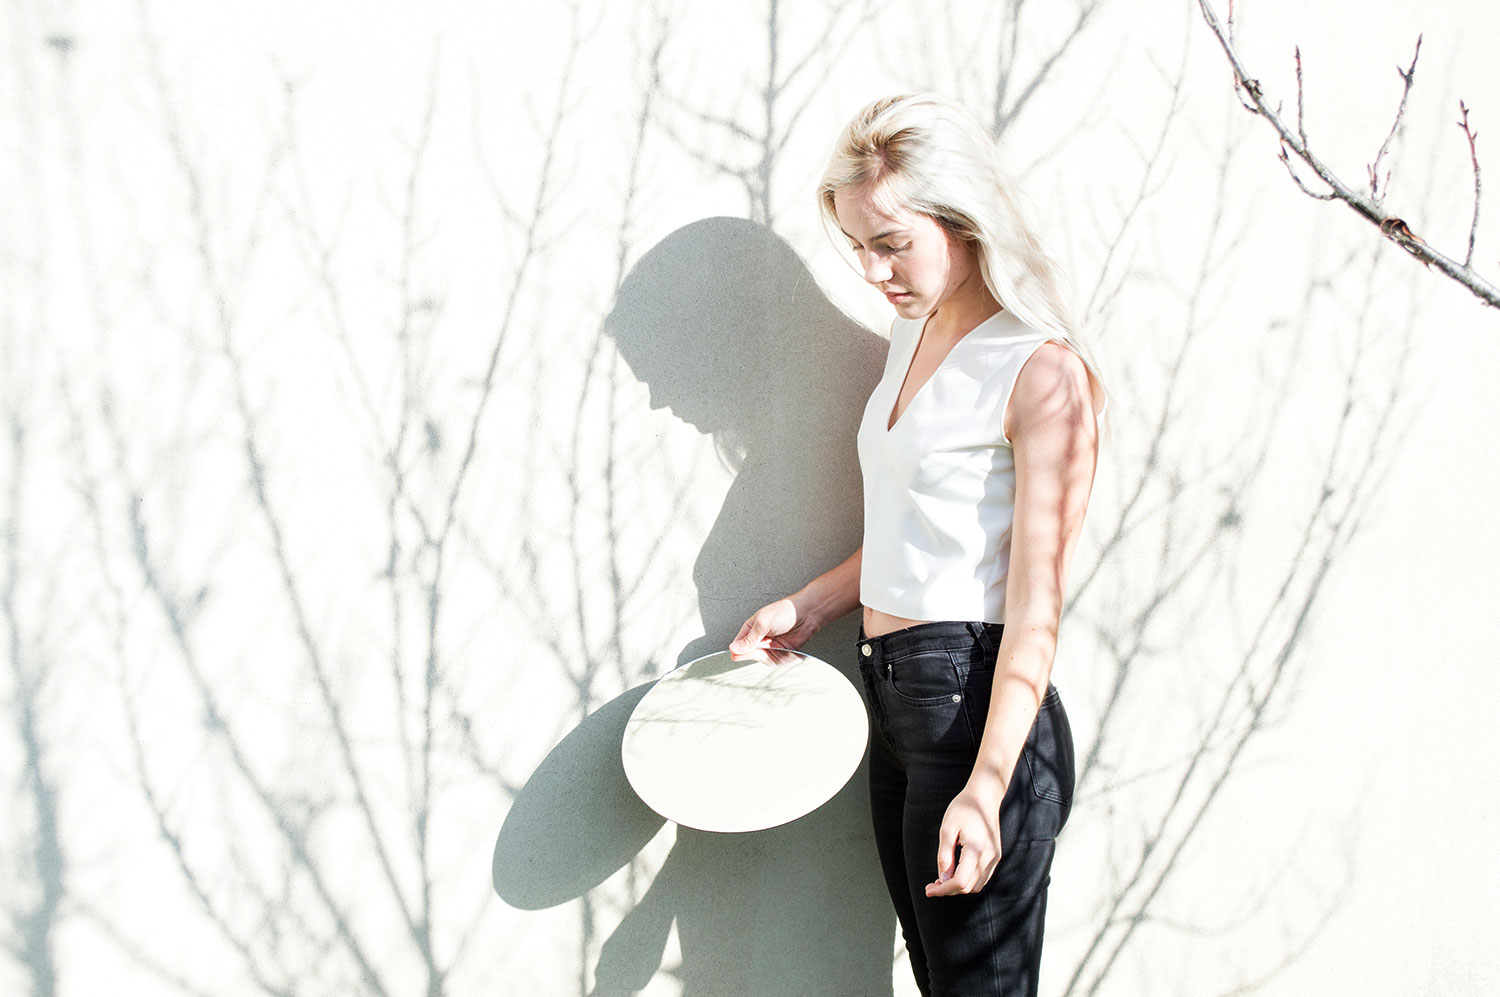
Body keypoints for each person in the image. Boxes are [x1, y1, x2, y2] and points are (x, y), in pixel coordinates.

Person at [728, 93, 1106, 997]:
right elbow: (923, 529)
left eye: (892, 242)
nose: (873, 270)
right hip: (898, 707)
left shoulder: (1040, 371)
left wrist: (988, 782)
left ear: (961, 219)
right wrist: (811, 604)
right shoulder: (914, 333)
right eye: (859, 245)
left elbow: (1036, 605)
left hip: (976, 714)